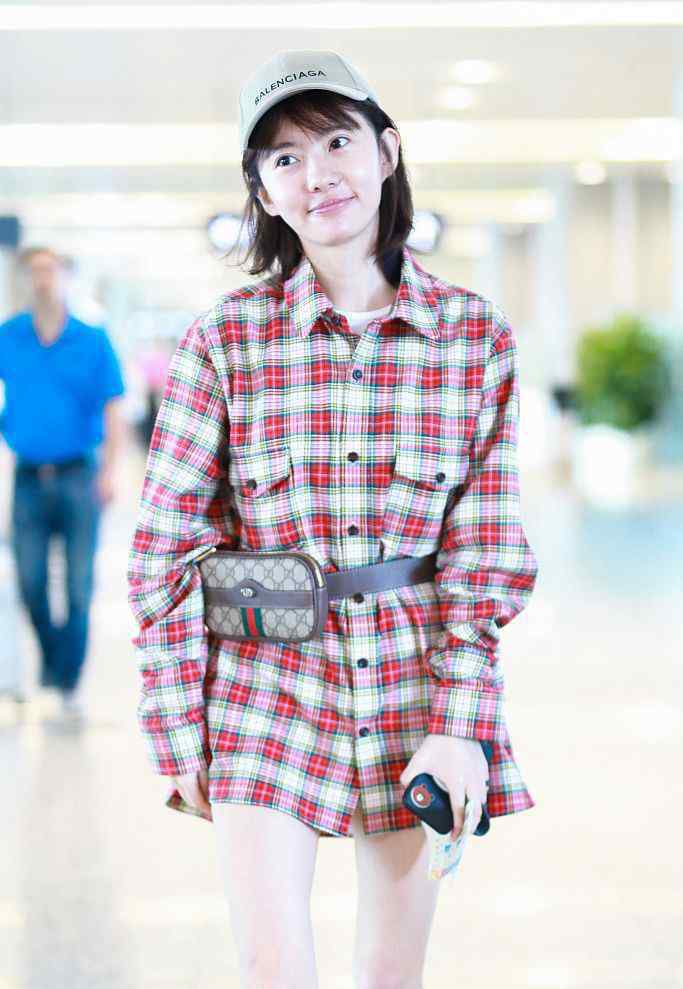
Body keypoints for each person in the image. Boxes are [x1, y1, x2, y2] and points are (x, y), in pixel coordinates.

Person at [127, 50, 539, 989]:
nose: (316, 174)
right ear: (263, 193)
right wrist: (176, 725)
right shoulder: (225, 339)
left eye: (337, 142)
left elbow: (483, 553)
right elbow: (165, 549)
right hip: (261, 679)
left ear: (386, 152)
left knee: (391, 972)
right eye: (284, 158)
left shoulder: (474, 337)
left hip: (410, 679)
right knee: (273, 967)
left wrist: (460, 721)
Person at [0, 246, 126, 719]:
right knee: (30, 582)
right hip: (28, 478)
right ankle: (55, 664)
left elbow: (113, 407)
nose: (42, 279)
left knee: (77, 586)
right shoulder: (9, 336)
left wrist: (110, 471)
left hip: (79, 475)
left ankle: (66, 680)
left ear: (66, 277)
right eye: (34, 271)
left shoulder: (92, 339)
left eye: (50, 270)